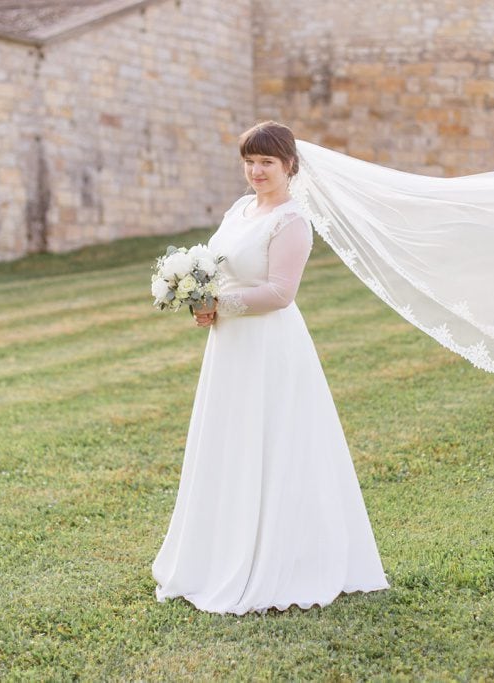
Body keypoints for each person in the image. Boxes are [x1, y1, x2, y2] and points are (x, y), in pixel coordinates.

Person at [151, 121, 390, 614]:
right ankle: (219, 553)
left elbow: (281, 294)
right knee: (231, 441)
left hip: (269, 346)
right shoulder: (240, 209)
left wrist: (220, 301)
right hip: (230, 347)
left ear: (290, 166)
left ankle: (285, 558)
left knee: (273, 442)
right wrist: (196, 294)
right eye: (250, 161)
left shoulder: (292, 222)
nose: (256, 171)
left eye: (267, 163)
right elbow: (217, 264)